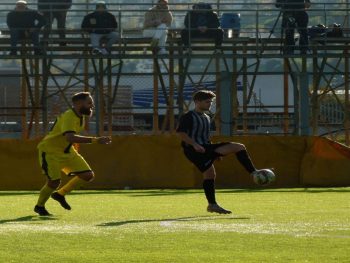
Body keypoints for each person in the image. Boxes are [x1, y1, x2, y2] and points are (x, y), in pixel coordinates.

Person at [176, 90, 262, 214]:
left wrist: (215, 154)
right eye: (207, 102)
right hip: (193, 150)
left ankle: (212, 205)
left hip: (205, 148)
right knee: (239, 147)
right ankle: (254, 173)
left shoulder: (206, 117)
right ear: (197, 102)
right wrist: (194, 145)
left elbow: (205, 137)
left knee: (210, 174)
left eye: (211, 102)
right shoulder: (188, 116)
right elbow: (181, 133)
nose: (209, 104)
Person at [34, 92, 112, 216]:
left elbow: (70, 139)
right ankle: (39, 206)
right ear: (78, 104)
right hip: (50, 152)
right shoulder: (69, 116)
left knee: (87, 175)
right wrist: (95, 140)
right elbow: (70, 137)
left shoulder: (80, 117)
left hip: (67, 152)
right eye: (89, 103)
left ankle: (60, 194)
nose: (92, 106)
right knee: (54, 182)